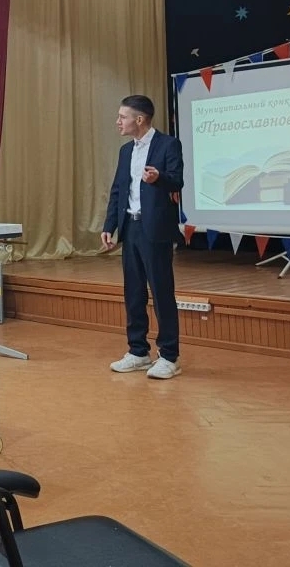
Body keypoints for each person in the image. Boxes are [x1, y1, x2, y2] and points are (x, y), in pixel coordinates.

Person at [101, 95, 184, 380]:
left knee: (161, 292)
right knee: (133, 292)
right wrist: (110, 225)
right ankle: (138, 351)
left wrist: (159, 178)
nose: (118, 122)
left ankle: (169, 356)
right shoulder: (126, 151)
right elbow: (118, 190)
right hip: (131, 228)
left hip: (156, 229)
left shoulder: (168, 144)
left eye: (122, 117)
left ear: (139, 119)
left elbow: (177, 180)